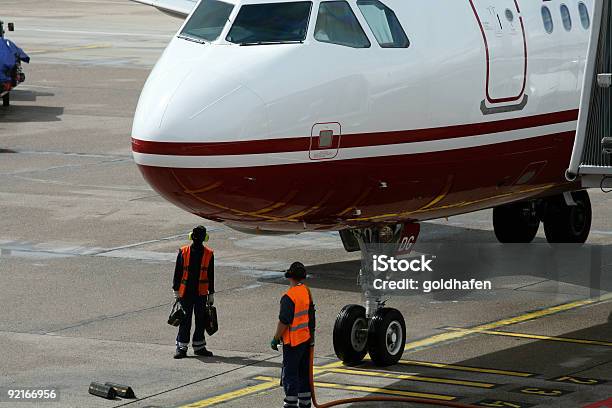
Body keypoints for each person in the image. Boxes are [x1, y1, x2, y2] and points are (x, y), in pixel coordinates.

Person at [271, 262, 316, 408]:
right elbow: (311, 316)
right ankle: (305, 403)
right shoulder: (306, 291)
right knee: (304, 373)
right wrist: (311, 338)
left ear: (290, 277)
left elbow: (284, 321)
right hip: (305, 340)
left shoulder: (288, 296)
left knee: (290, 374)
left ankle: (290, 404)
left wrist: (276, 338)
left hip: (292, 343)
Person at [172, 225, 215, 359]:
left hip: (198, 293)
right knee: (187, 320)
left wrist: (175, 290)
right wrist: (176, 290)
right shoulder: (185, 252)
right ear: (205, 238)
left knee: (198, 320)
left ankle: (189, 347)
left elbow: (177, 272)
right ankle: (187, 347)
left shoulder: (207, 253)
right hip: (189, 293)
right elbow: (179, 272)